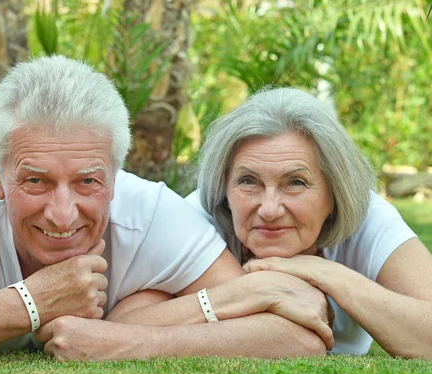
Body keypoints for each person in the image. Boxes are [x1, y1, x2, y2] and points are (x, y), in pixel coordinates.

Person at [0, 58, 331, 373]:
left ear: (116, 180)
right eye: (35, 180)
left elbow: (296, 338)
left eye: (89, 182)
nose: (62, 212)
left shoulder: (151, 210)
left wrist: (124, 341)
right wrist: (32, 302)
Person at [185, 87, 432, 357]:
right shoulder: (196, 218)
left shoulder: (370, 218)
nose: (269, 209)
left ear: (335, 192)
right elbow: (137, 319)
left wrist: (328, 274)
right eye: (248, 181)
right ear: (224, 187)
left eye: (295, 182)